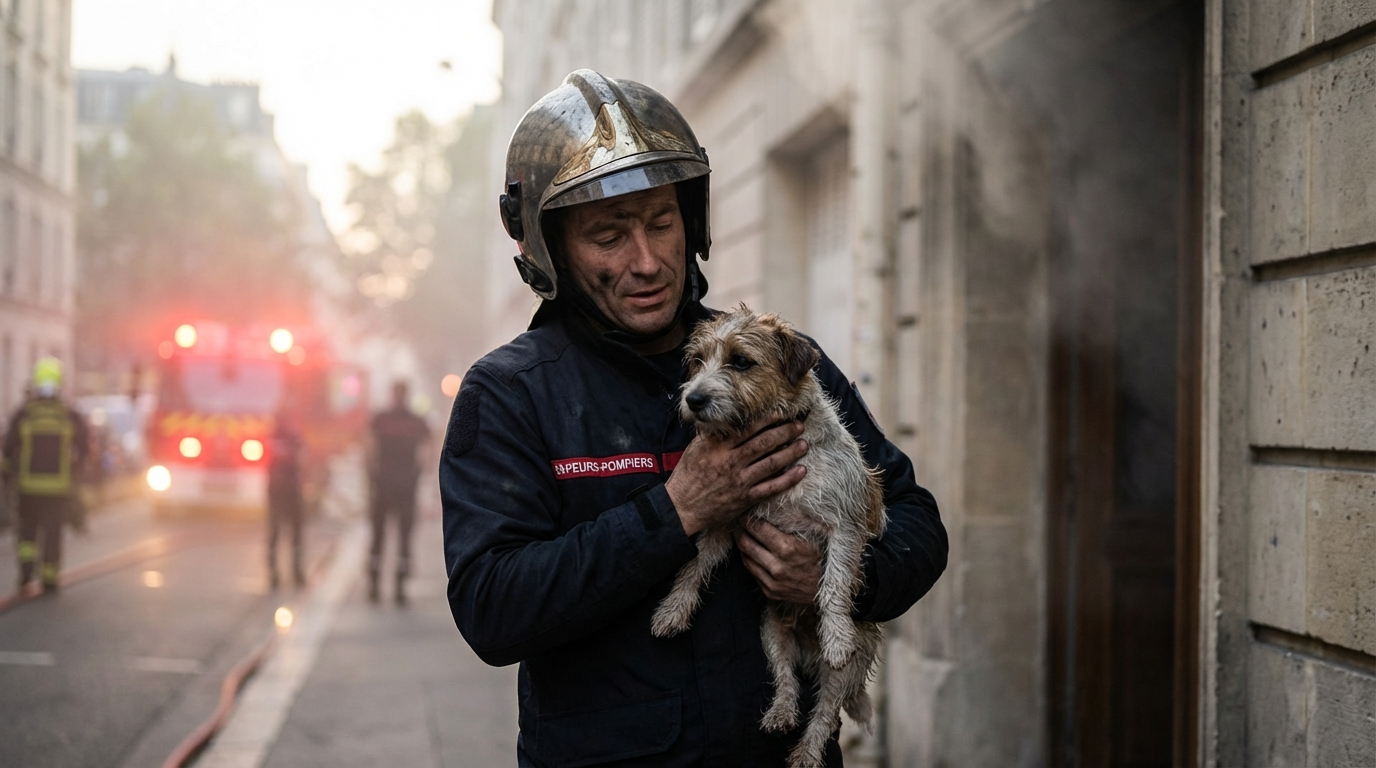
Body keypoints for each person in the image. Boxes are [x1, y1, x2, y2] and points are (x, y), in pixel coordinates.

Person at [440, 70, 948, 767]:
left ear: (693, 220)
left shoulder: (780, 363)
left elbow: (917, 520)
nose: (647, 261)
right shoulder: (511, 394)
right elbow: (492, 610)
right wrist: (674, 509)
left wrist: (840, 580)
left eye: (661, 223)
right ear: (552, 247)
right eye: (609, 235)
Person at [2, 358, 89, 593]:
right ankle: (50, 578)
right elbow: (83, 447)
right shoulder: (68, 415)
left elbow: (8, 449)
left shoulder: (24, 414)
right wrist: (77, 473)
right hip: (57, 488)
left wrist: (9, 477)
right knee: (52, 533)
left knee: (27, 532)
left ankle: (26, 573)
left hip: (27, 487)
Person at [368, 380, 430, 605]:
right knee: (404, 540)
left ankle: (374, 587)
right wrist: (419, 476)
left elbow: (369, 450)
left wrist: (370, 478)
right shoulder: (417, 422)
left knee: (378, 538)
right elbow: (427, 454)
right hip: (406, 489)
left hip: (382, 488)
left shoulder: (380, 419)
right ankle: (400, 589)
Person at [266, 410, 306, 589]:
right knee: (281, 530)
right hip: (283, 489)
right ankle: (278, 571)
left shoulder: (289, 438)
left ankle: (290, 570)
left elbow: (302, 459)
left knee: (288, 530)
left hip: (285, 489)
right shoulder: (280, 438)